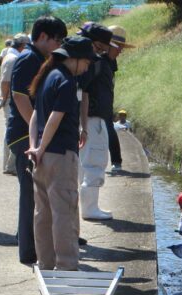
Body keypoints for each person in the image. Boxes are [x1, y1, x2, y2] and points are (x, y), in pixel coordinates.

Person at [26, 36, 96, 271]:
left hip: (41, 158)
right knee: (64, 213)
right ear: (74, 59)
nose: (87, 67)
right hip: (61, 156)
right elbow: (54, 119)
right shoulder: (66, 81)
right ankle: (66, 266)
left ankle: (45, 264)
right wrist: (41, 147)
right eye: (86, 62)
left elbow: (36, 115)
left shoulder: (48, 76)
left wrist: (35, 147)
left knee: (43, 214)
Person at [7, 17, 67, 266]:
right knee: (30, 194)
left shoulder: (38, 58)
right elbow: (20, 97)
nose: (59, 45)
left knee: (34, 193)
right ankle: (27, 251)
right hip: (24, 136)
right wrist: (38, 132)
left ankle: (28, 242)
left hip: (28, 134)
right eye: (57, 40)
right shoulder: (29, 59)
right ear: (43, 37)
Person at [77, 23, 118, 220]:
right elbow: (83, 92)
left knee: (83, 164)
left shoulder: (81, 60)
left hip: (87, 120)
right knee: (95, 163)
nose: (104, 51)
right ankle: (90, 209)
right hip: (92, 120)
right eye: (102, 47)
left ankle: (87, 207)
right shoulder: (92, 62)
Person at [0, 33, 29, 175]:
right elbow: (6, 82)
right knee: (13, 131)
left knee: (10, 130)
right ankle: (10, 165)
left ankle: (8, 165)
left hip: (9, 99)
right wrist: (4, 98)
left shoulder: (9, 56)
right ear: (23, 45)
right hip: (11, 99)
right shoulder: (14, 58)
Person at [106, 26, 134, 172]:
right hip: (95, 107)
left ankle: (116, 162)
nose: (121, 51)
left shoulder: (111, 61)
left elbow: (111, 81)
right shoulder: (97, 60)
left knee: (109, 130)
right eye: (119, 47)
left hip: (105, 104)